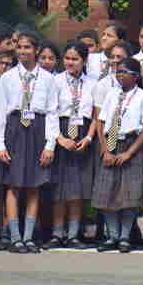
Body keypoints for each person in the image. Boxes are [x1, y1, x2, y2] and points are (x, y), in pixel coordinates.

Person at [0, 31, 59, 253]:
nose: (23, 51)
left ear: (36, 50)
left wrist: (50, 145)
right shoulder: (8, 77)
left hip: (37, 130)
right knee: (13, 185)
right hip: (14, 129)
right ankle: (14, 237)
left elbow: (52, 112)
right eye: (19, 47)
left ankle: (29, 237)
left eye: (27, 47)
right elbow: (0, 112)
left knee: (33, 185)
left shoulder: (48, 79)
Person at [92, 56, 143, 253]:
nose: (119, 75)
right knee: (107, 192)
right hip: (111, 142)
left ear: (135, 76)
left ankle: (125, 237)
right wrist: (104, 149)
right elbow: (101, 121)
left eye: (124, 72)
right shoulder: (112, 94)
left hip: (131, 144)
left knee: (129, 194)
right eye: (117, 72)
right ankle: (112, 236)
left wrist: (129, 153)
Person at [46, 41, 97, 249]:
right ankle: (57, 233)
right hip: (62, 131)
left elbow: (96, 115)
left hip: (83, 134)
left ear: (84, 61)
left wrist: (89, 138)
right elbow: (50, 113)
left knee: (77, 189)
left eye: (75, 59)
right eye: (67, 58)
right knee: (60, 189)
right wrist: (59, 138)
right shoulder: (55, 81)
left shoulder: (93, 83)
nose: (70, 62)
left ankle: (74, 234)